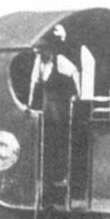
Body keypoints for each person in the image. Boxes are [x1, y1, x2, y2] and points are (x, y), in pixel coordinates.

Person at [27, 24, 80, 186]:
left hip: (60, 105)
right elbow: (33, 83)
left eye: (40, 52)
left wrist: (78, 94)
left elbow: (75, 72)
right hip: (47, 105)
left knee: (62, 138)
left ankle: (65, 175)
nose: (38, 55)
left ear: (47, 50)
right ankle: (50, 175)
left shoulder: (59, 60)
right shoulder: (39, 62)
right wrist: (29, 103)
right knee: (49, 139)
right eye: (36, 53)